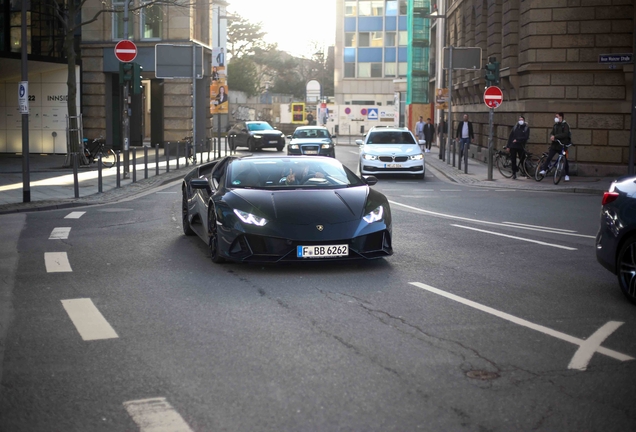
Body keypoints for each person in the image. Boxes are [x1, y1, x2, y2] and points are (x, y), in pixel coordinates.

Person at [539, 112, 571, 181]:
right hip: (554, 145)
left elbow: (565, 134)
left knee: (565, 160)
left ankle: (567, 175)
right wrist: (552, 137)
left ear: (561, 117)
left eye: (557, 116)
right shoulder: (555, 125)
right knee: (549, 157)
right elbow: (552, 133)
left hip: (562, 146)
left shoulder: (565, 125)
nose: (555, 118)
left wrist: (555, 136)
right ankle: (544, 170)